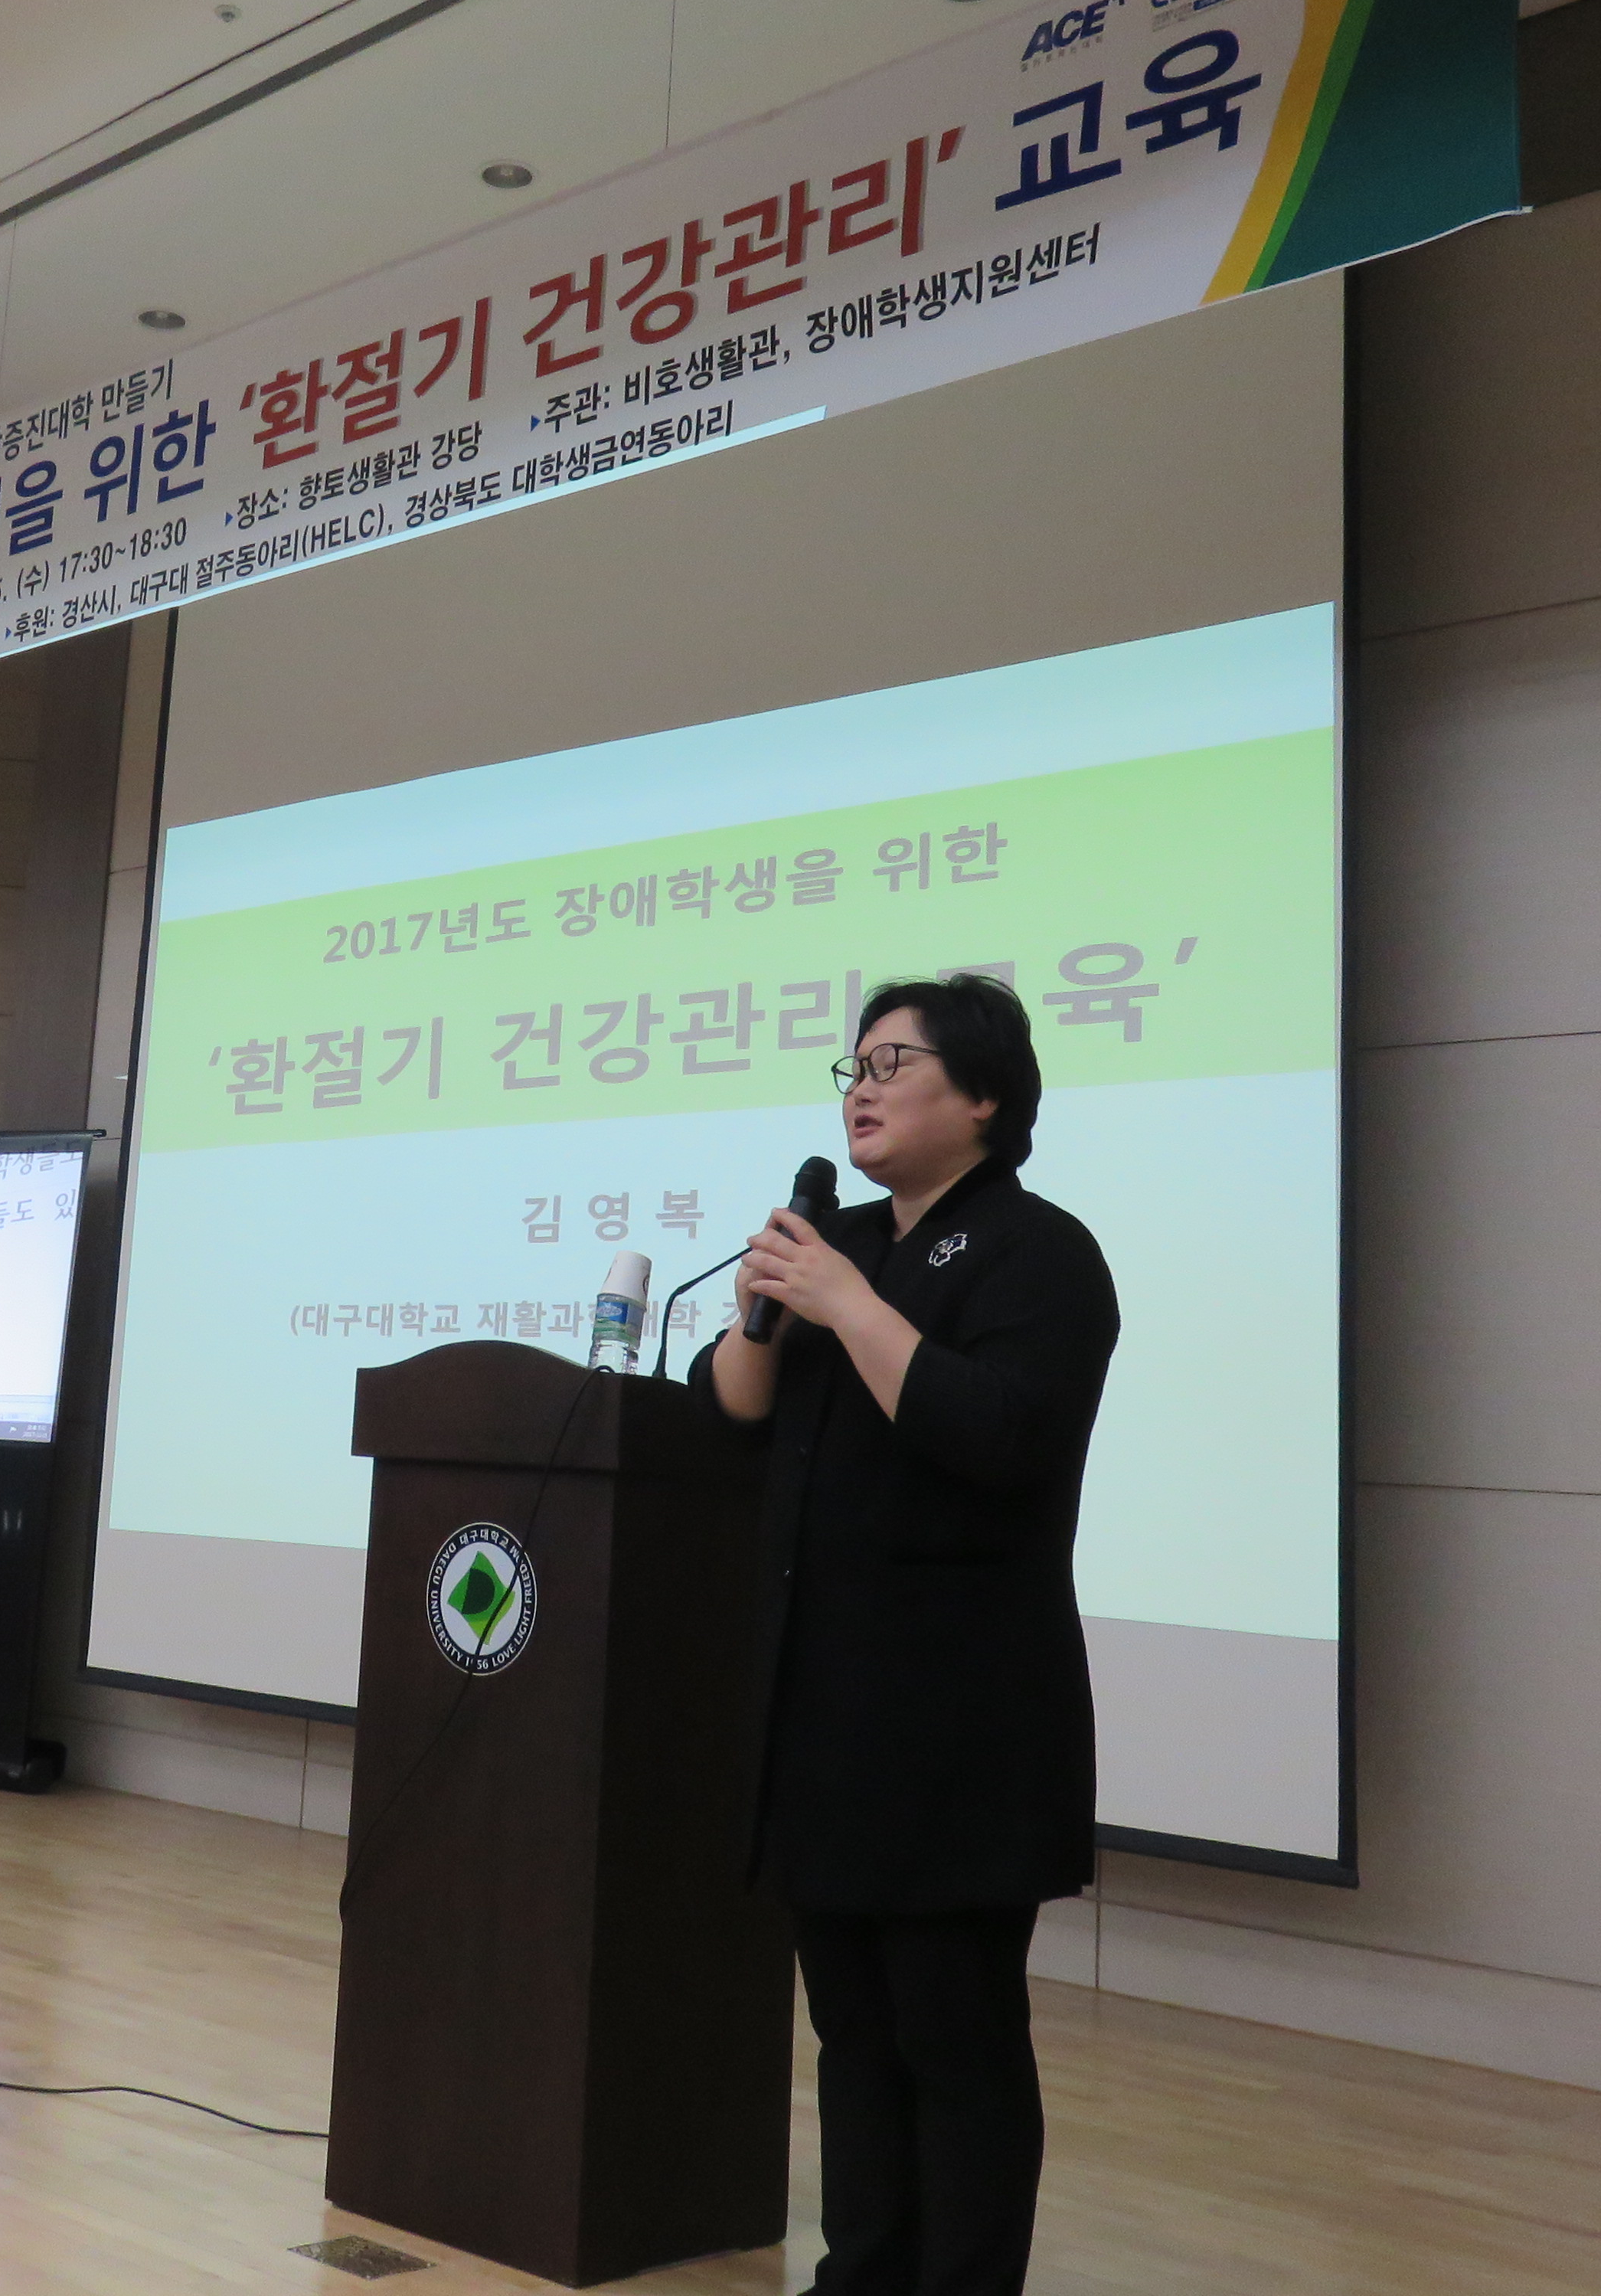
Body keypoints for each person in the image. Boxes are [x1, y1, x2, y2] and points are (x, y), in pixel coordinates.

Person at [690, 973, 1119, 2296]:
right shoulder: (843, 1249)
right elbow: (735, 1411)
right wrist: (764, 1306)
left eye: (895, 1064)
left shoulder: (1041, 1253)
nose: (862, 1090)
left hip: (959, 1727)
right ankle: (862, 2276)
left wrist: (843, 1301)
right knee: (855, 2036)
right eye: (855, 1068)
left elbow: (994, 1434)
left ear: (983, 1096)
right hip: (825, 1715)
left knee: (955, 2039)